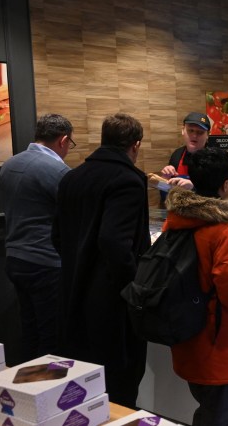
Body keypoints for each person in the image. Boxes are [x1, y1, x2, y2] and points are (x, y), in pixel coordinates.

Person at [52, 113, 150, 408]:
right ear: (135, 145)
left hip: (72, 292)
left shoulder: (72, 177)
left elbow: (57, 235)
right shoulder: (128, 180)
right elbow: (113, 241)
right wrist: (132, 287)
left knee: (85, 384)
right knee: (121, 384)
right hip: (112, 303)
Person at [164, 147, 228, 426]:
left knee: (204, 408)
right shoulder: (221, 230)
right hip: (215, 341)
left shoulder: (175, 221)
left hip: (185, 334)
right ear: (225, 185)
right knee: (217, 415)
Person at [0, 113, 74, 362]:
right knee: (51, 336)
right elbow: (73, 215)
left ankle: (28, 392)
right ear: (63, 140)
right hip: (45, 263)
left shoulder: (10, 164)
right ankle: (49, 393)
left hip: (14, 258)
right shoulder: (56, 170)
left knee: (29, 329)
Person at [159, 112, 211, 193]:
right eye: (190, 130)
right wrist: (165, 179)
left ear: (207, 135)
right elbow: (166, 194)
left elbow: (221, 195)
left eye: (200, 132)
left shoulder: (216, 159)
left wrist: (194, 188)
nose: (194, 135)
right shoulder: (176, 155)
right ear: (183, 130)